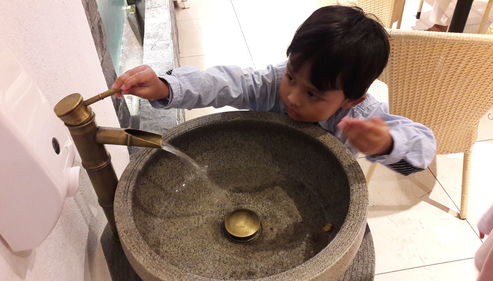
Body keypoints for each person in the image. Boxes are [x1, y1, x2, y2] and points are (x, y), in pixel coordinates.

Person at [112, 5, 436, 176]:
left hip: (316, 181)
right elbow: (225, 81)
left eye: (312, 94)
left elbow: (423, 148)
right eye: (292, 76)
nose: (293, 96)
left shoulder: (359, 116)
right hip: (259, 165)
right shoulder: (273, 84)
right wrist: (166, 86)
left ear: (351, 98)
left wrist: (387, 142)